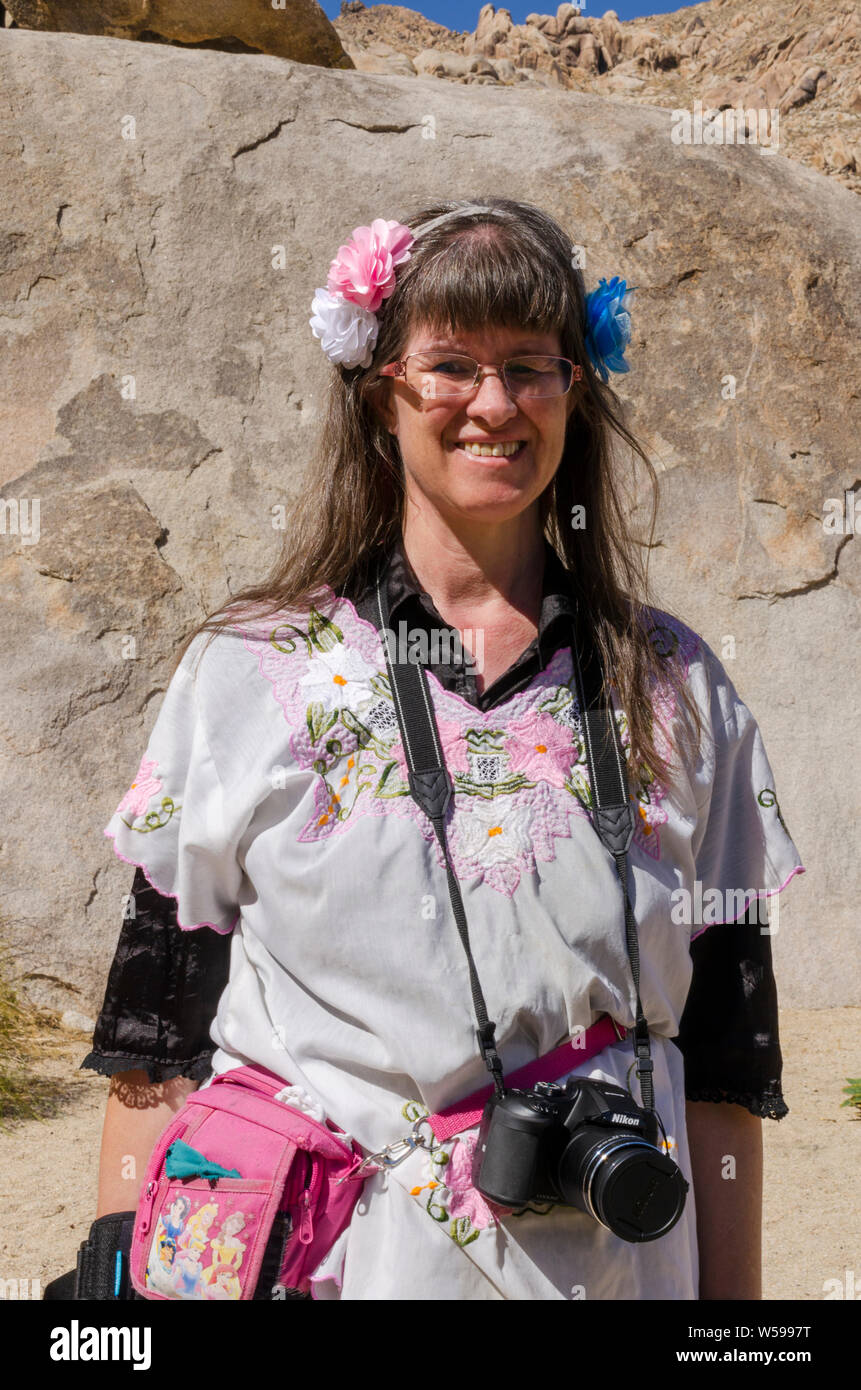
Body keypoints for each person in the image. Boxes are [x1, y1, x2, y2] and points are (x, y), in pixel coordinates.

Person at [80, 197, 804, 1301]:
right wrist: (113, 1305)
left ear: (576, 390)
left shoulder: (680, 690)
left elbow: (726, 1064)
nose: (495, 404)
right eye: (450, 365)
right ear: (381, 395)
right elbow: (155, 1048)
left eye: (532, 365)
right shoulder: (246, 672)